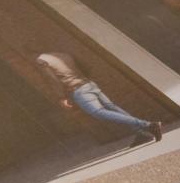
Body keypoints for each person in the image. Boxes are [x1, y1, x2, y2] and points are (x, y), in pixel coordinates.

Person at [33, 50, 163, 145]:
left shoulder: (41, 61)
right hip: (89, 84)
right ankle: (141, 134)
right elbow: (85, 66)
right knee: (112, 107)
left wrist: (61, 97)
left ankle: (148, 125)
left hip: (78, 90)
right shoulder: (62, 54)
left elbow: (52, 80)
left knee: (98, 113)